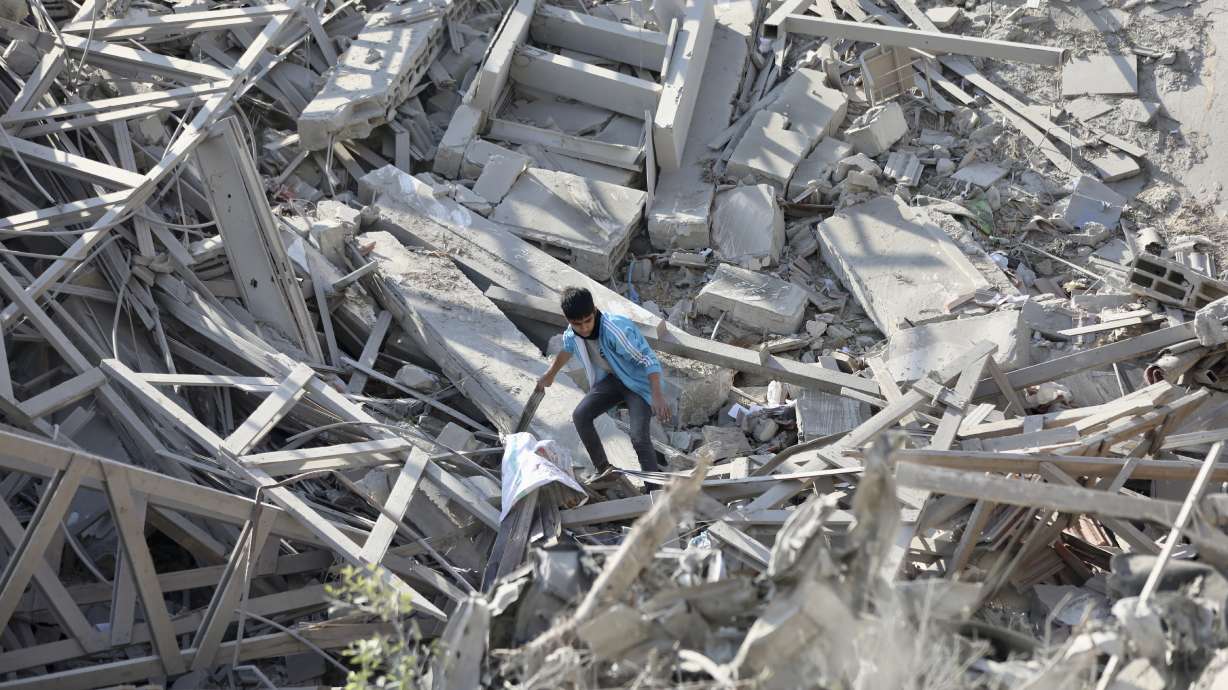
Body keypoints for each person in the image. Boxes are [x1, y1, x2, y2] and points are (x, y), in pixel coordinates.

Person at [536, 287, 671, 475]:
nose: (584, 328)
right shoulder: (573, 333)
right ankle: (604, 470)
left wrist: (657, 395)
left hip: (640, 385)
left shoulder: (615, 330)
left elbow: (648, 359)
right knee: (580, 416)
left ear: (595, 311)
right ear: (568, 320)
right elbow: (567, 348)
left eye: (588, 321)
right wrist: (549, 375)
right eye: (577, 324)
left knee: (639, 437)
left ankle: (653, 487)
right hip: (615, 379)